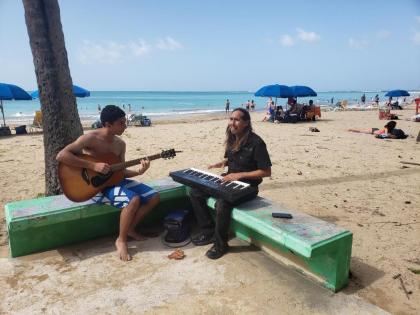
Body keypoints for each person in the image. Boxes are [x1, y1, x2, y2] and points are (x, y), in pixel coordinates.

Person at [56, 105, 160, 261]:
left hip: (116, 181)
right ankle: (121, 240)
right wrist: (93, 165)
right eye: (121, 123)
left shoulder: (120, 144)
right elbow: (61, 155)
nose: (125, 126)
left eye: (125, 122)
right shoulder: (90, 138)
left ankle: (131, 228)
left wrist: (139, 172)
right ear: (107, 124)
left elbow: (121, 171)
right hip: (97, 187)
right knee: (133, 199)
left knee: (154, 197)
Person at [189, 108, 271, 259]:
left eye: (236, 120)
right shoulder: (233, 137)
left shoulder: (257, 143)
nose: (232, 123)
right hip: (228, 181)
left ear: (246, 123)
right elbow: (231, 158)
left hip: (248, 187)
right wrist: (222, 162)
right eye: (231, 119)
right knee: (195, 192)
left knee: (222, 204)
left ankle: (221, 245)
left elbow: (266, 172)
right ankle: (208, 232)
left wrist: (240, 175)